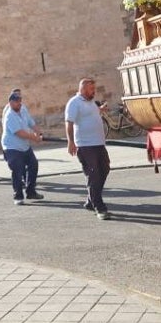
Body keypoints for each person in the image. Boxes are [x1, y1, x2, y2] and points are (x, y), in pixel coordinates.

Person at [65, 77, 112, 220]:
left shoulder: (91, 103)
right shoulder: (74, 103)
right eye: (92, 89)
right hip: (85, 145)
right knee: (93, 175)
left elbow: (91, 113)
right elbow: (69, 122)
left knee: (105, 169)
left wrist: (100, 110)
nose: (94, 91)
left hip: (98, 143)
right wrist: (70, 142)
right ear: (84, 88)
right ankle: (100, 208)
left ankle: (91, 201)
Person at [2, 89, 45, 205]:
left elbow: (31, 122)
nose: (19, 103)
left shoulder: (23, 109)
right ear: (10, 102)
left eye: (20, 100)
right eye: (16, 101)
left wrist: (39, 133)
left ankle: (31, 192)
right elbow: (20, 133)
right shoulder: (9, 116)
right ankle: (18, 196)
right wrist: (34, 137)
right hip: (12, 148)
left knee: (33, 165)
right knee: (17, 170)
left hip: (25, 146)